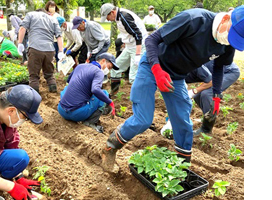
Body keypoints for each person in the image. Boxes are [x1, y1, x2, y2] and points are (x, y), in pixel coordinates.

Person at [100, 5, 244, 172]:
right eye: (230, 34)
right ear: (226, 18)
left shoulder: (228, 42)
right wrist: (157, 70)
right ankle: (109, 148)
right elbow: (152, 40)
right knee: (143, 119)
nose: (228, 40)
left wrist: (217, 95)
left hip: (176, 76)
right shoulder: (194, 20)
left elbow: (219, 67)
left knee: (183, 121)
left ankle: (181, 168)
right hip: (152, 65)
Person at [160, 60, 240, 136]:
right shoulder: (176, 73)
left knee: (206, 94)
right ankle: (207, 117)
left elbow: (211, 81)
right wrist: (170, 119)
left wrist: (194, 91)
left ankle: (207, 129)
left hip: (229, 72)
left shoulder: (196, 66)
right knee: (197, 96)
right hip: (212, 72)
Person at [58, 53, 118, 132]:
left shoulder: (80, 66)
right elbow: (95, 89)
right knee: (104, 93)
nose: (108, 70)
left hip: (61, 110)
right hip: (77, 114)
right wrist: (110, 102)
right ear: (103, 61)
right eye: (109, 67)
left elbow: (69, 80)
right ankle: (90, 123)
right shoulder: (98, 72)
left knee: (67, 88)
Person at [100, 3, 148, 94]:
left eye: (107, 17)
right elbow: (127, 32)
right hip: (130, 46)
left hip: (139, 46)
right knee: (115, 67)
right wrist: (125, 42)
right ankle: (114, 93)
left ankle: (140, 97)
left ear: (112, 12)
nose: (107, 19)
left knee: (133, 76)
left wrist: (138, 54)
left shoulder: (124, 17)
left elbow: (138, 35)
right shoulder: (118, 17)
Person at [17, 8, 64, 94]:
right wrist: (61, 51)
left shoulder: (31, 14)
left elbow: (22, 28)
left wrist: (20, 43)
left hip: (35, 48)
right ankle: (53, 89)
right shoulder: (53, 19)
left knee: (34, 75)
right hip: (50, 50)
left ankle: (34, 94)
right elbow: (59, 36)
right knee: (49, 74)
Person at [45, 1, 61, 70]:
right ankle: (49, 68)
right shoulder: (45, 15)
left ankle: (58, 68)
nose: (52, 8)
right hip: (47, 38)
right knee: (49, 54)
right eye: (50, 7)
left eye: (53, 7)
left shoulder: (57, 16)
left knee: (58, 54)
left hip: (56, 38)